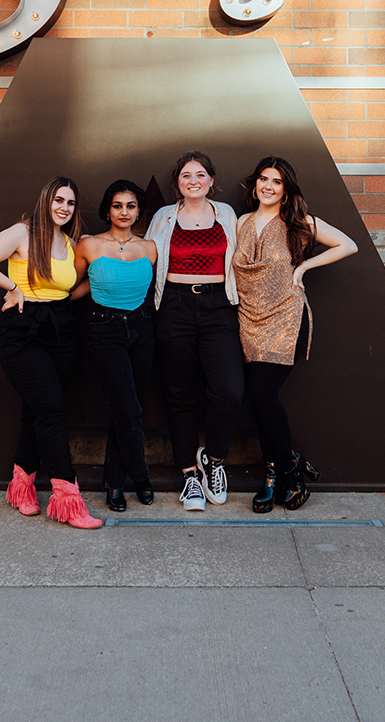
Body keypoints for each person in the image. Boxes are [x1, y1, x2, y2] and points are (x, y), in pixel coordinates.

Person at [0, 175, 102, 530]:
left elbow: (69, 288)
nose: (64, 207)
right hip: (23, 329)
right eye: (59, 200)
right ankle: (67, 499)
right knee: (52, 411)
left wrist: (99, 272)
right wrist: (13, 287)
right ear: (46, 201)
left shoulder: (71, 243)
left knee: (37, 409)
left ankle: (21, 487)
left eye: (70, 203)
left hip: (61, 326)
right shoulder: (22, 233)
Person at [233, 156, 357, 513]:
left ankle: (286, 468)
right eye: (263, 179)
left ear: (286, 190)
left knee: (261, 391)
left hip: (284, 317)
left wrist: (304, 265)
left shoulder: (297, 221)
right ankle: (278, 474)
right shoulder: (241, 222)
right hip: (247, 318)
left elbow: (348, 244)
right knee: (258, 400)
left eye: (277, 182)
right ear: (254, 184)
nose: (268, 186)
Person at [146, 151, 245, 511]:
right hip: (174, 306)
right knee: (180, 394)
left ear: (211, 180)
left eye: (200, 175)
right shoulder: (164, 216)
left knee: (229, 391)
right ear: (178, 183)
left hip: (219, 306)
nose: (194, 181)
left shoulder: (227, 215)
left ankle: (214, 461)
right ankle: (189, 475)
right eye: (186, 175)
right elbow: (147, 257)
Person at [74, 180, 157, 512]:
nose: (125, 212)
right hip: (104, 329)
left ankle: (113, 483)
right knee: (128, 409)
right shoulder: (89, 245)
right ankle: (140, 476)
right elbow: (75, 285)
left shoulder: (150, 247)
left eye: (131, 205)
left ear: (138, 211)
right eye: (118, 205)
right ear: (108, 209)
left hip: (141, 330)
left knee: (129, 409)